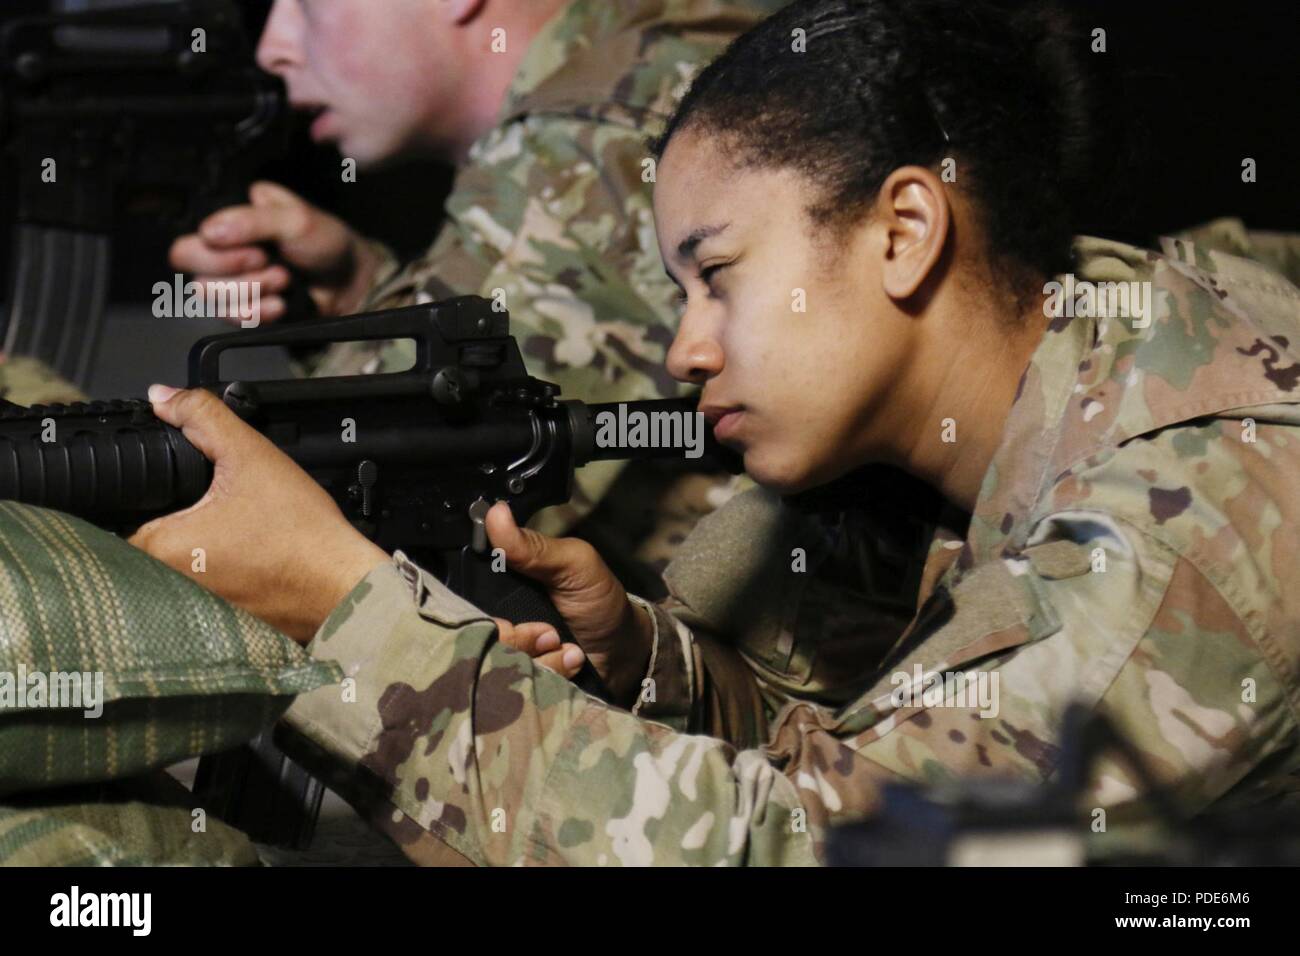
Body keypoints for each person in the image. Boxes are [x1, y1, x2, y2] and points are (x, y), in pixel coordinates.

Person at [131, 0, 1300, 865]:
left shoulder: (1184, 509)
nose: (685, 347)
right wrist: (660, 666)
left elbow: (816, 851)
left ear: (903, 231)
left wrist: (353, 623)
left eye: (717, 275)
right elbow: (876, 757)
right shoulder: (1053, 358)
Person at [168, 0, 785, 582]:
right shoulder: (659, 62)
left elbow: (373, 516)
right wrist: (359, 293)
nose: (274, 49)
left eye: (306, 4)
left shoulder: (594, 135)